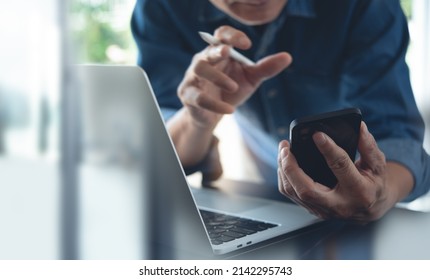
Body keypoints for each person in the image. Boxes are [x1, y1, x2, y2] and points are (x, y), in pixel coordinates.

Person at [131, 0, 430, 223]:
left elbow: (398, 138)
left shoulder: (365, 5)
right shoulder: (162, 7)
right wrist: (197, 120)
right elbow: (162, 151)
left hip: (368, 213)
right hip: (262, 201)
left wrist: (380, 193)